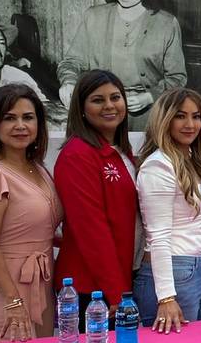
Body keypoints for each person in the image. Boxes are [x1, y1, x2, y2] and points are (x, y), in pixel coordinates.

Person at [0, 84, 62, 343]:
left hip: (41, 288)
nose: (20, 125)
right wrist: (12, 300)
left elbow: (42, 228)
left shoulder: (39, 169)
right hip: (4, 296)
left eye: (28, 117)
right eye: (9, 118)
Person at [57, 0, 187, 130]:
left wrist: (149, 97)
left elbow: (177, 77)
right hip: (101, 113)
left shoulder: (167, 24)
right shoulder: (94, 16)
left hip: (147, 118)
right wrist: (68, 81)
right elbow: (71, 62)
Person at [53, 70, 140, 320]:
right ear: (81, 108)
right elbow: (91, 228)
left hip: (120, 281)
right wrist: (116, 292)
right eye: (98, 100)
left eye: (115, 97)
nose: (109, 106)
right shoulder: (77, 154)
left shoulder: (121, 151)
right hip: (89, 290)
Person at [134, 88, 201, 333]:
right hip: (173, 272)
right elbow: (157, 236)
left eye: (196, 116)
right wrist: (166, 297)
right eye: (180, 116)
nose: (190, 124)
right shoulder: (158, 166)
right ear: (166, 120)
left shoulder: (196, 159)